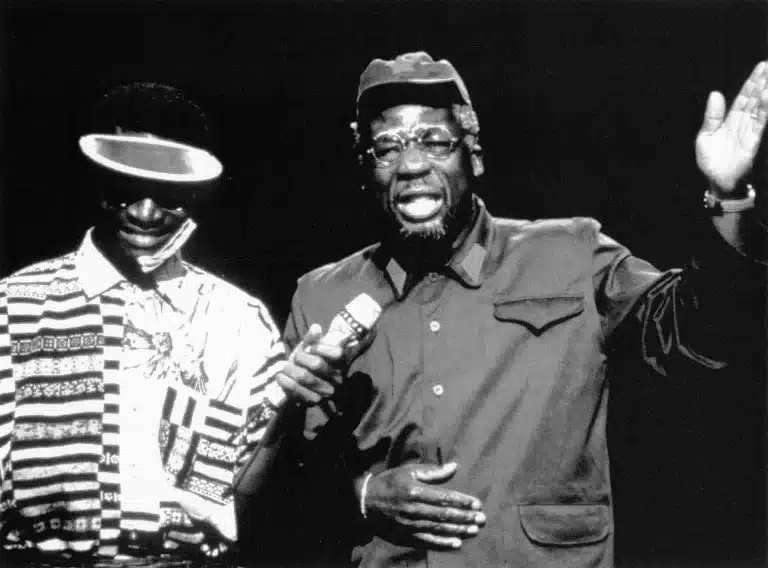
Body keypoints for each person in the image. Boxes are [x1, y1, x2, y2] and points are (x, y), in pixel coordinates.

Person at [271, 52, 768, 566]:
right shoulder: (321, 297)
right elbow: (275, 484)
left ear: (474, 156)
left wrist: (727, 198)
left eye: (435, 142)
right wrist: (363, 492)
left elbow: (699, 338)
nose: (412, 165)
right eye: (386, 149)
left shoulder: (572, 253)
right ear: (364, 170)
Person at [0, 83, 285, 567]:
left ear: (198, 193)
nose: (145, 213)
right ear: (95, 182)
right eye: (125, 189)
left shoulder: (240, 323)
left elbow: (249, 491)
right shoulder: (15, 308)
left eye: (169, 195)